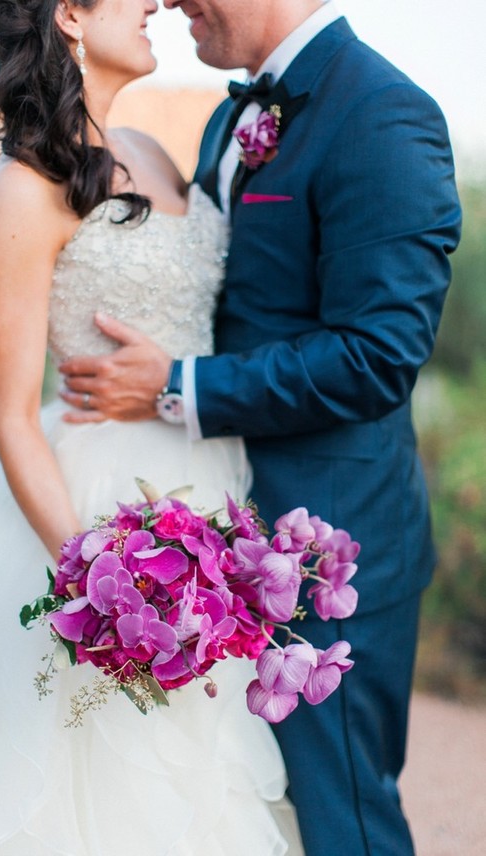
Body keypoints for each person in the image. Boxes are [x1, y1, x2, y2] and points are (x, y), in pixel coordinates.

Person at [58, 1, 462, 853]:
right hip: (217, 530)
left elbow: (377, 354)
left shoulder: (382, 112)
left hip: (330, 546)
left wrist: (173, 385)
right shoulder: (226, 118)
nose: (171, 1)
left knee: (337, 815)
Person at [0, 1, 305, 853]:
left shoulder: (156, 154)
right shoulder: (19, 193)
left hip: (210, 488)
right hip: (97, 514)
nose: (159, 2)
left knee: (197, 777)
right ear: (71, 15)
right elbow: (12, 418)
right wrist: (99, 581)